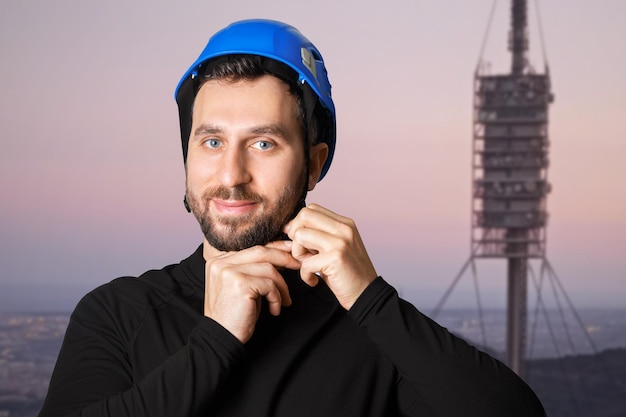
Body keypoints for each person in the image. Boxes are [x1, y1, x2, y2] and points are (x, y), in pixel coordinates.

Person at [39, 19, 545, 417]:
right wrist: (215, 341)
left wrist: (372, 300)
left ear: (314, 165)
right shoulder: (119, 313)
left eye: (263, 143)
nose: (232, 175)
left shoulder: (369, 331)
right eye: (212, 141)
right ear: (187, 156)